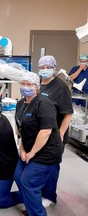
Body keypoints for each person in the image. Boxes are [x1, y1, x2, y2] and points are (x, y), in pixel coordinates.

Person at [14, 72, 63, 216]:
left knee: (28, 182)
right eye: (23, 84)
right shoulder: (20, 103)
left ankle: (37, 213)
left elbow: (45, 132)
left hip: (46, 152)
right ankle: (32, 209)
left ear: (37, 87)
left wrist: (32, 153)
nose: (25, 87)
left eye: (29, 84)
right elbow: (22, 129)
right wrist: (22, 149)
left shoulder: (44, 104)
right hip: (28, 149)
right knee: (18, 176)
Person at [38, 55, 73, 208]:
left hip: (54, 135)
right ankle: (40, 190)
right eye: (42, 67)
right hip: (40, 133)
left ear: (54, 68)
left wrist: (60, 134)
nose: (45, 70)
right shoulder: (38, 84)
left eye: (48, 67)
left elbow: (68, 113)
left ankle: (49, 195)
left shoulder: (60, 87)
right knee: (39, 164)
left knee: (51, 166)